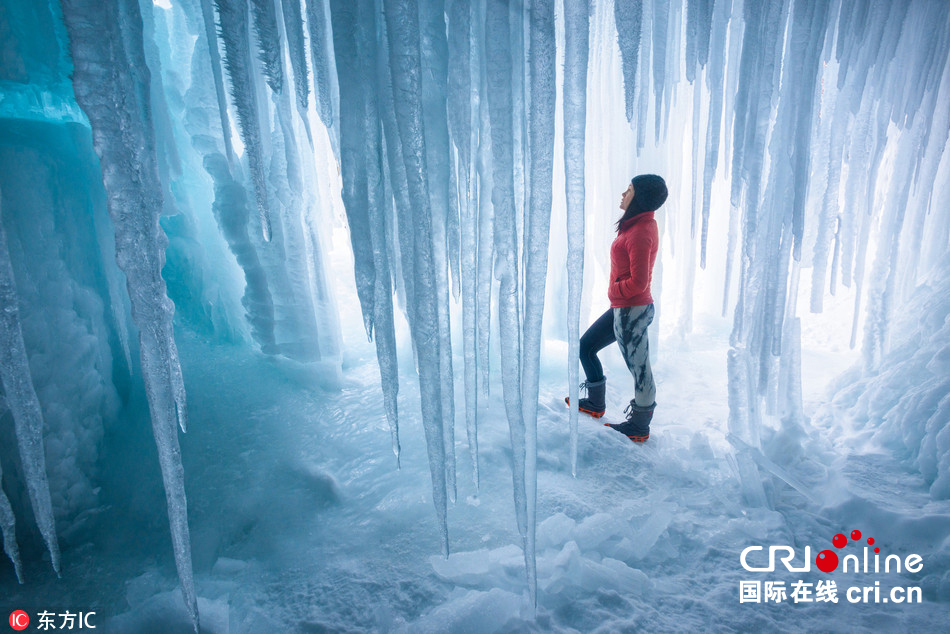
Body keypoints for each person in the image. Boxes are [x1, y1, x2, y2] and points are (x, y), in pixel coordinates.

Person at [565, 174, 667, 442]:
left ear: (640, 197)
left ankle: (639, 427)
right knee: (585, 347)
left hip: (631, 311)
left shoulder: (641, 232)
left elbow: (639, 282)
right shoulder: (636, 226)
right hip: (625, 309)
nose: (623, 194)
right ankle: (596, 404)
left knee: (640, 370)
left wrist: (613, 291)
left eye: (629, 190)